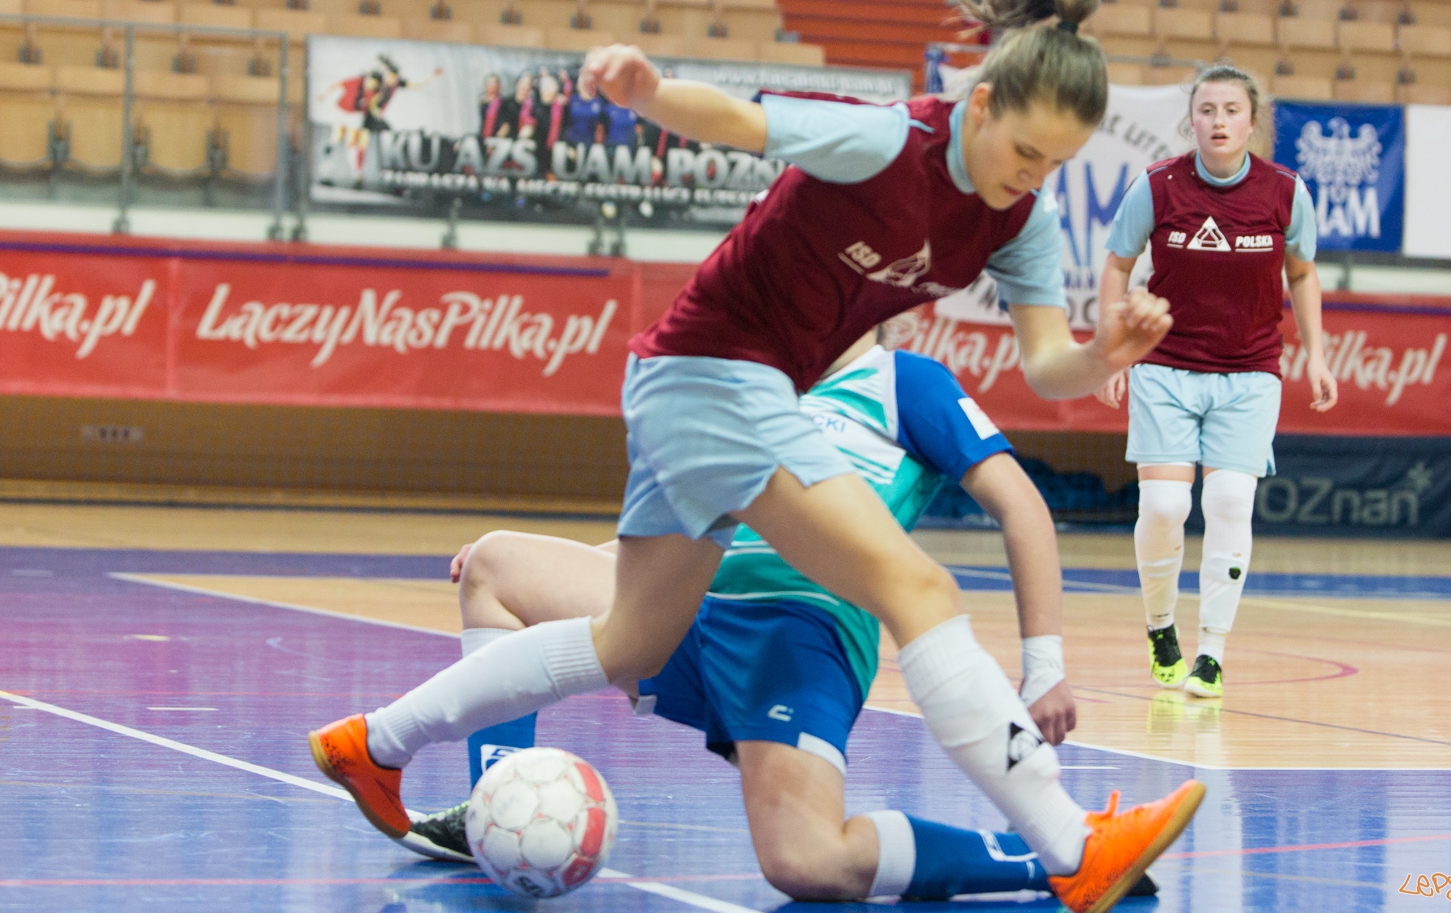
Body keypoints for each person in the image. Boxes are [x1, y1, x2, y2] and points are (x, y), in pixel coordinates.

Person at [309, 0, 1201, 913]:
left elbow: (1048, 362)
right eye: (1025, 149)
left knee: (626, 645)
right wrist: (647, 95)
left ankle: (374, 745)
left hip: (703, 386)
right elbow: (743, 123)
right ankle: (1072, 845)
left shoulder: (1018, 220)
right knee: (918, 588)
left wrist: (1106, 350)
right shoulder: (887, 140)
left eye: (1056, 164)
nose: (1033, 175)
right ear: (979, 102)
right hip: (710, 373)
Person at [397, 333, 1155, 901]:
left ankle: (1056, 852)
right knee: (497, 565)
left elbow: (1022, 505)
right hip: (688, 614)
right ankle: (490, 809)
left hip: (800, 633)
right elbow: (682, 533)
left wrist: (1046, 663)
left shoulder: (904, 383)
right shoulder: (755, 388)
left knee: (807, 863)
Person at [1094, 63, 1337, 700]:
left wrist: (1316, 354)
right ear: (1192, 120)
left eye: (1231, 110)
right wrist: (1114, 351)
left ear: (1252, 123)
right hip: (1165, 367)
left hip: (1250, 371)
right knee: (1167, 508)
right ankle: (1160, 627)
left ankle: (1211, 653)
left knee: (1229, 502)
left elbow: (1304, 274)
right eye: (1207, 110)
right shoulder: (1157, 186)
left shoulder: (1285, 191)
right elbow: (1117, 265)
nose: (1219, 121)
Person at [478, 74, 517, 139]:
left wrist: (497, 139)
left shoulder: (503, 104)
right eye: (489, 83)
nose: (492, 86)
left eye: (494, 83)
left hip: (497, 139)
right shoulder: (483, 103)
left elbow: (506, 125)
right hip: (483, 137)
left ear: (499, 86)